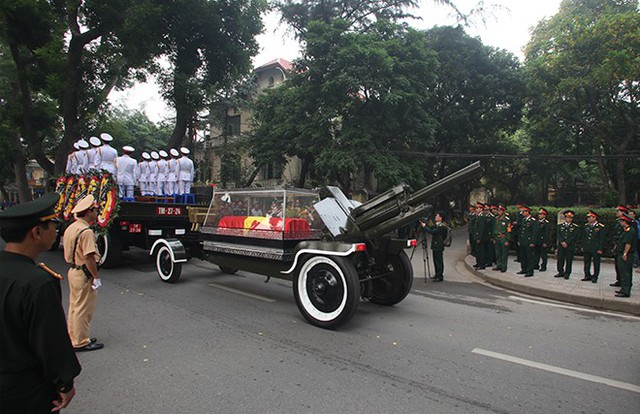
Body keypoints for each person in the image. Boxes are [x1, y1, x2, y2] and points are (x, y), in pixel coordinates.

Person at [0, 193, 82, 412]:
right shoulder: (37, 282)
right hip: (24, 390)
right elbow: (50, 341)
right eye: (52, 225)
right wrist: (65, 382)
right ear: (36, 232)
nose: (56, 231)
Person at [62, 195, 104, 352]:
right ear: (88, 212)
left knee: (74, 306)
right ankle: (80, 341)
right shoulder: (86, 231)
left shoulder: (72, 228)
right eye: (94, 210)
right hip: (83, 272)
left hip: (73, 270)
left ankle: (75, 336)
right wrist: (96, 277)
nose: (96, 212)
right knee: (83, 308)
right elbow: (89, 257)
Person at [420, 212, 448, 282]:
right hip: (435, 245)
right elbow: (431, 227)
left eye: (437, 216)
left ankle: (440, 276)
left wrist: (424, 227)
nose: (436, 217)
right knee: (435, 260)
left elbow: (433, 232)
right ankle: (437, 274)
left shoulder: (442, 226)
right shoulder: (437, 224)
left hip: (439, 245)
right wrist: (426, 223)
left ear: (441, 218)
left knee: (439, 261)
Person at [614, 213, 636, 297]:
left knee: (625, 273)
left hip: (626, 254)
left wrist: (625, 254)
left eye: (621, 221)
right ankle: (623, 289)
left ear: (625, 221)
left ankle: (626, 291)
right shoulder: (626, 230)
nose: (620, 222)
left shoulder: (629, 231)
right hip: (621, 253)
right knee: (623, 272)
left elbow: (628, 243)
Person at [581, 210, 605, 283]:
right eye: (588, 217)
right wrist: (582, 246)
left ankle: (595, 276)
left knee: (596, 263)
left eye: (590, 217)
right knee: (586, 262)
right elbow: (583, 237)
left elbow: (602, 239)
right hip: (587, 247)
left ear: (594, 218)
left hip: (595, 248)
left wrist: (600, 248)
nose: (588, 219)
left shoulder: (600, 227)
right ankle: (587, 275)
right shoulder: (586, 226)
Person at [555, 210, 580, 280]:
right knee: (560, 259)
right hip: (561, 245)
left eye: (570, 218)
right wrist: (562, 242)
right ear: (565, 218)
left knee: (569, 260)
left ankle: (567, 273)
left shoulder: (575, 227)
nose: (569, 219)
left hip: (570, 246)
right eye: (567, 218)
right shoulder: (560, 226)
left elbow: (574, 236)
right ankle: (560, 271)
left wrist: (567, 242)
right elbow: (559, 235)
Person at [517, 205, 538, 277]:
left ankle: (530, 271)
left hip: (529, 242)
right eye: (522, 211)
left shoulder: (533, 221)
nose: (522, 213)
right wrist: (519, 240)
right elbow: (521, 231)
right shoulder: (523, 220)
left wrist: (533, 242)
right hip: (523, 240)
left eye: (524, 211)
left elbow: (535, 232)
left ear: (528, 212)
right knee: (523, 256)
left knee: (529, 257)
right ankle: (524, 269)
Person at [492, 204, 511, 273]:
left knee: (504, 253)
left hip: (503, 237)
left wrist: (507, 239)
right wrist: (494, 237)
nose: (498, 212)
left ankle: (504, 266)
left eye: (500, 210)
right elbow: (494, 228)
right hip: (497, 237)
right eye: (498, 210)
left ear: (503, 211)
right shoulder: (496, 219)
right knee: (498, 252)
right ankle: (498, 265)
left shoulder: (507, 220)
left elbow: (509, 230)